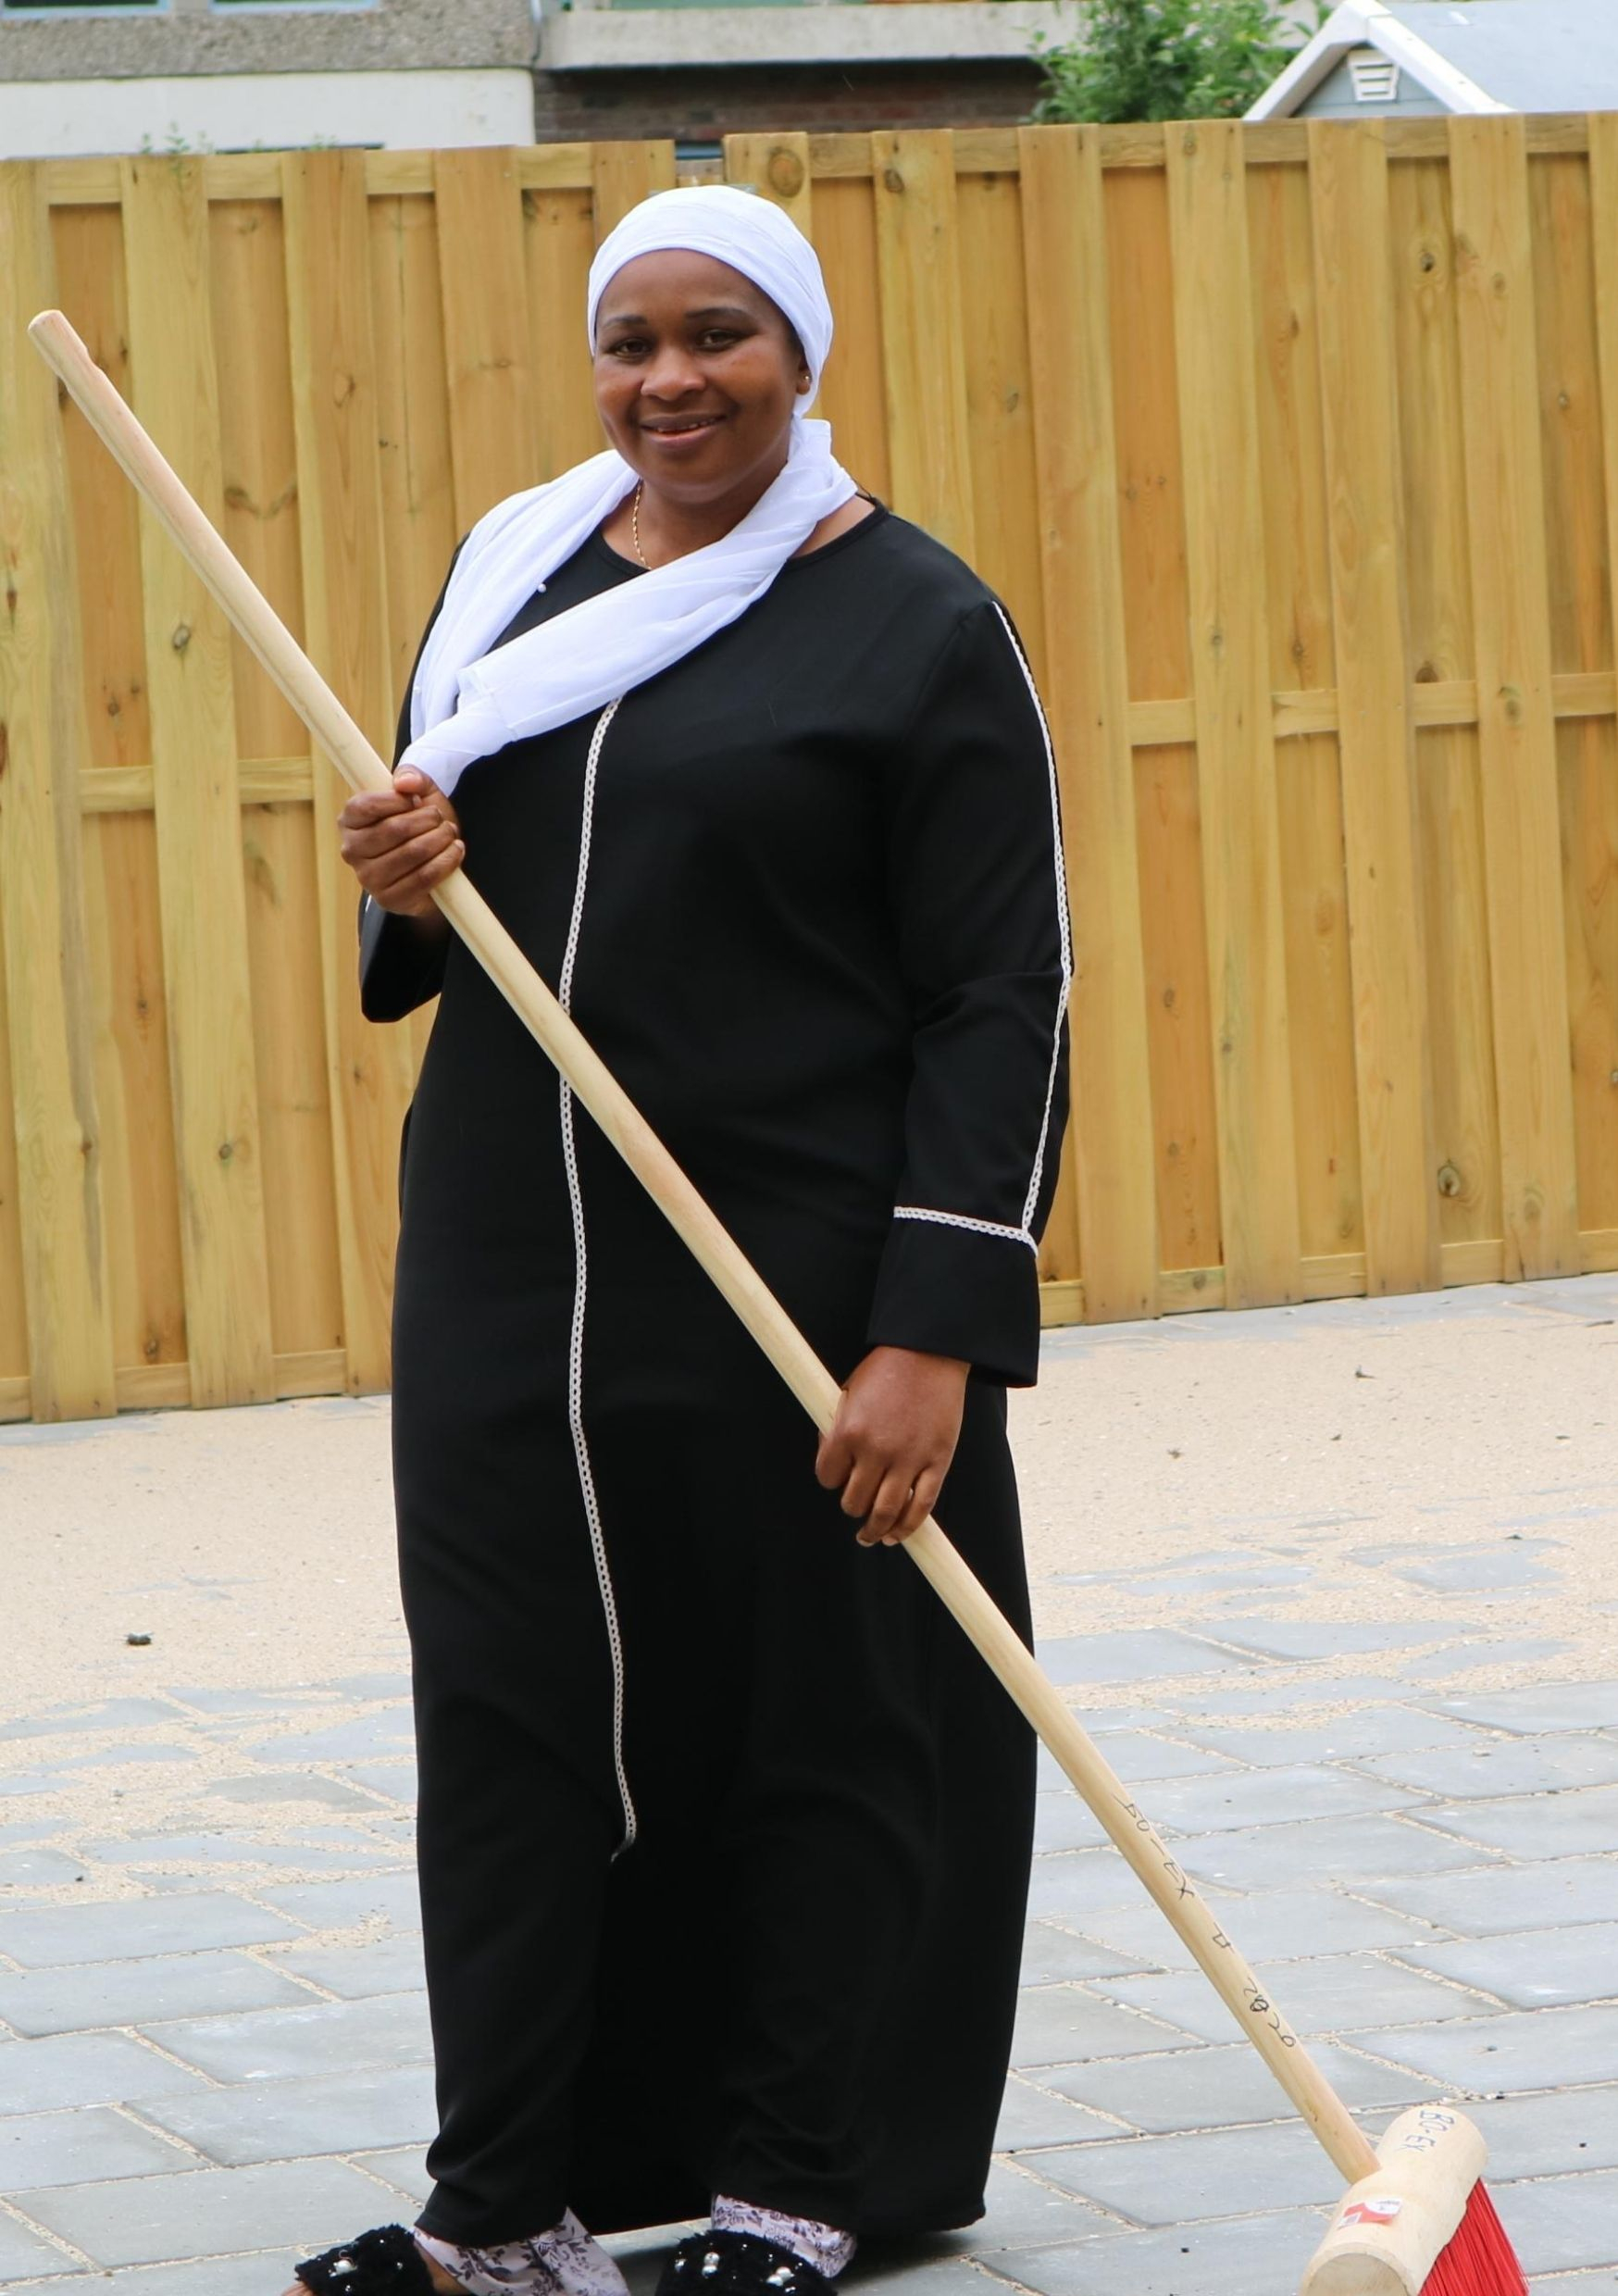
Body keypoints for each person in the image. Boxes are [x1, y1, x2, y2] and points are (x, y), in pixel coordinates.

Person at [288, 185, 1070, 2296]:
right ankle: (506, 2207)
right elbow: (432, 908)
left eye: (717, 333)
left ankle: (794, 2186)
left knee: (815, 1717)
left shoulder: (912, 621)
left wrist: (934, 1325)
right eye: (630, 339)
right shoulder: (511, 579)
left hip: (792, 1278)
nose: (668, 380)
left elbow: (1001, 998)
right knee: (513, 1728)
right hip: (505, 1271)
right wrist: (398, 862)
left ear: (799, 352)